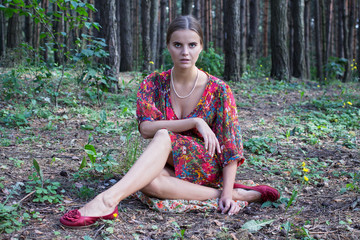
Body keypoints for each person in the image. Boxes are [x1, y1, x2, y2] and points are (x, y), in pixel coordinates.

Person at [60, 15, 280, 228]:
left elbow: (231, 146)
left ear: (201, 46)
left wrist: (225, 182)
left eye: (192, 45)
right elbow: (145, 129)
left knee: (163, 134)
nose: (185, 52)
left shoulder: (219, 89)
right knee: (147, 182)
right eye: (177, 44)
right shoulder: (153, 83)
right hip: (167, 162)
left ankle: (107, 201)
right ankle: (237, 193)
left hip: (206, 163)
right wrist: (195, 122)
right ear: (168, 46)